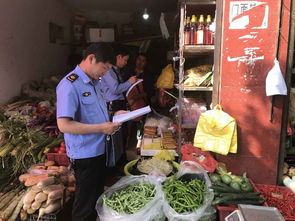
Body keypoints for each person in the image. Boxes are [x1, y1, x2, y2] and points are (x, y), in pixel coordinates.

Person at [56, 43, 124, 221]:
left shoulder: (95, 82)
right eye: (104, 67)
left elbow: (95, 113)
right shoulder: (70, 85)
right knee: (84, 205)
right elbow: (64, 125)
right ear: (91, 58)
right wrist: (102, 128)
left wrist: (114, 115)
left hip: (100, 150)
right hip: (84, 154)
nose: (105, 72)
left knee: (95, 199)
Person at [100, 47, 137, 164]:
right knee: (118, 135)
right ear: (118, 57)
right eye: (125, 60)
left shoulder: (115, 70)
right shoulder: (109, 71)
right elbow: (115, 89)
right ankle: (117, 164)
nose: (125, 63)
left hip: (119, 103)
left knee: (123, 134)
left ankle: (122, 161)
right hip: (113, 105)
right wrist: (129, 83)